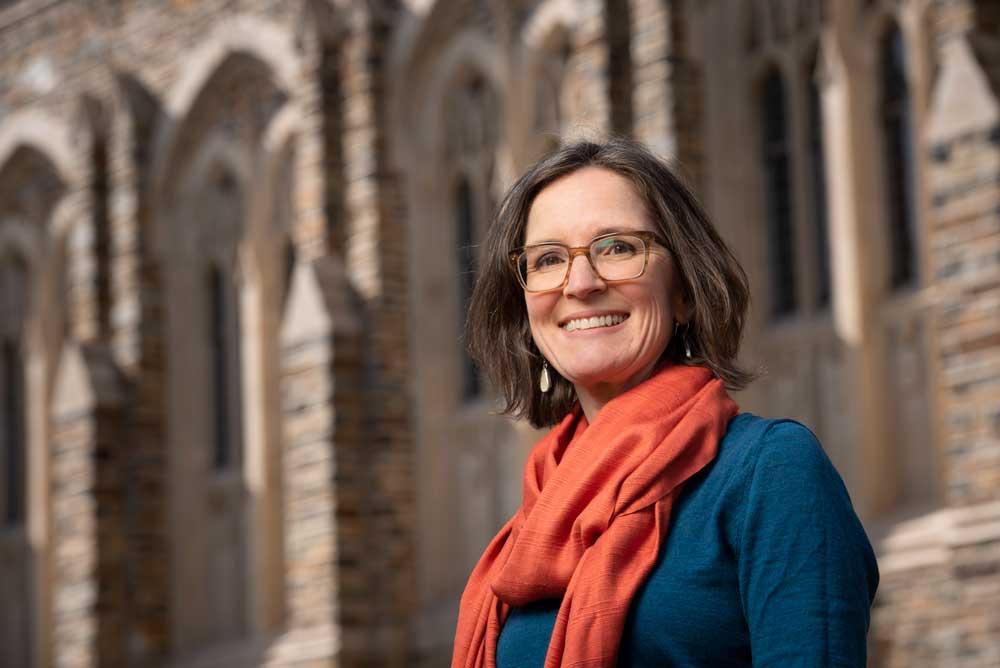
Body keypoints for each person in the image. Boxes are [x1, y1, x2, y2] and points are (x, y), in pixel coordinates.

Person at [451, 138, 879, 668]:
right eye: (548, 259)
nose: (580, 284)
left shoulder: (770, 473)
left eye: (618, 248)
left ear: (683, 292)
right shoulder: (538, 512)